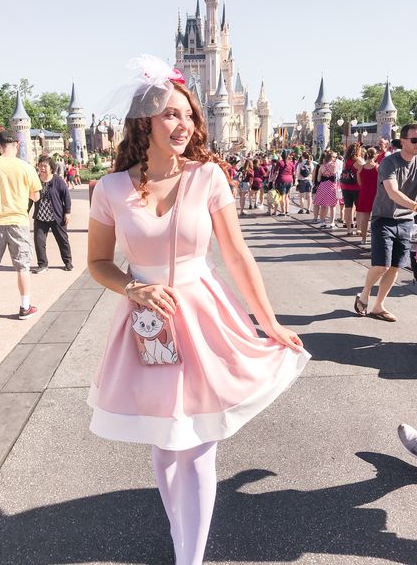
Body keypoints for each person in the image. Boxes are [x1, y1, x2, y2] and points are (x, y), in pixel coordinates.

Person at [86, 55, 310, 565]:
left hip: (205, 317)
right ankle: (179, 533)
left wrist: (269, 321)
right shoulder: (111, 189)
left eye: (188, 115)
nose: (183, 124)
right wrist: (132, 289)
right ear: (145, 121)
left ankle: (192, 557)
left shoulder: (208, 176)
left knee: (200, 444)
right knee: (166, 449)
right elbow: (98, 263)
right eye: (171, 114)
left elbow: (236, 255)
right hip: (147, 323)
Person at [354, 123, 417, 322]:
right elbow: (393, 192)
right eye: (415, 140)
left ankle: (378, 306)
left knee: (395, 266)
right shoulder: (389, 163)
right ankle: (364, 295)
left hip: (405, 221)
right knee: (381, 265)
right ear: (403, 141)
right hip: (383, 219)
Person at [0, 130, 42, 319]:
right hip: (18, 221)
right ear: (17, 145)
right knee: (22, 266)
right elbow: (36, 195)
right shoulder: (26, 167)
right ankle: (24, 306)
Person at [32, 155, 73, 274]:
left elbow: (66, 197)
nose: (42, 168)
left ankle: (68, 262)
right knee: (39, 241)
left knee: (62, 240)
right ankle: (42, 264)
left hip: (56, 217)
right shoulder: (36, 180)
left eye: (45, 166)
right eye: (40, 166)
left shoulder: (57, 180)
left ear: (51, 168)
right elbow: (30, 198)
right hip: (40, 217)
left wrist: (67, 212)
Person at [340, 142, 364, 236]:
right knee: (359, 209)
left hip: (345, 186)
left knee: (348, 207)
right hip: (356, 187)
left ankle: (349, 229)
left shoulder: (346, 160)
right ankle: (358, 229)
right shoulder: (359, 161)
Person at [356, 147, 379, 244]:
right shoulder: (377, 167)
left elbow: (359, 182)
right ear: (375, 155)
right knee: (375, 218)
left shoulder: (361, 167)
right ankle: (374, 239)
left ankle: (363, 239)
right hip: (376, 194)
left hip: (364, 193)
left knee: (364, 217)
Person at [313, 150, 338, 229]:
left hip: (323, 186)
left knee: (323, 205)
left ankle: (322, 222)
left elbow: (319, 178)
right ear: (331, 157)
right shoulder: (334, 165)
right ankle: (332, 222)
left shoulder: (322, 166)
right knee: (332, 206)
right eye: (334, 157)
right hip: (331, 186)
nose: (335, 158)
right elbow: (334, 174)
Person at [274, 150, 295, 216]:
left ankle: (282, 212)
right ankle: (287, 211)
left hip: (281, 180)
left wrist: (273, 180)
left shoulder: (279, 162)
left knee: (281, 197)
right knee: (286, 197)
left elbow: (276, 172)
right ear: (288, 156)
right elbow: (294, 173)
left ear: (281, 156)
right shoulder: (291, 163)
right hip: (290, 180)